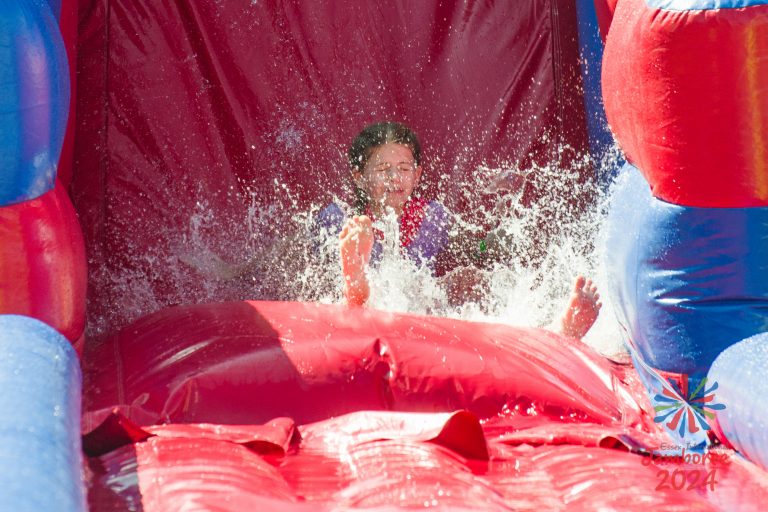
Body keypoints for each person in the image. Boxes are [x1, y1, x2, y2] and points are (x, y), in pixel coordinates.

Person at [335, 121, 601, 339]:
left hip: (416, 310)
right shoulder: (343, 222)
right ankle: (357, 285)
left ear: (416, 176)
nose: (394, 178)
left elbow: (473, 249)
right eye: (383, 170)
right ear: (359, 176)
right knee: (366, 296)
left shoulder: (431, 219)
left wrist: (495, 244)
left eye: (403, 169)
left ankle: (556, 332)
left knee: (465, 281)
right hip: (368, 322)